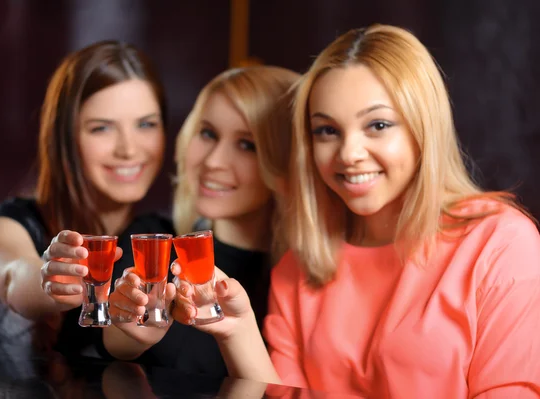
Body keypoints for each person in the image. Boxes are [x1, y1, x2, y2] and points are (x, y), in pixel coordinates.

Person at [170, 24, 540, 397]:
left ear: (423, 127)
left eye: (377, 125)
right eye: (327, 131)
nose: (349, 153)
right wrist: (238, 329)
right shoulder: (300, 263)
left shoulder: (500, 243)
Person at [0, 40, 172, 357]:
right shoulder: (4, 227)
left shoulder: (159, 235)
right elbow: (14, 279)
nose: (129, 149)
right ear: (64, 137)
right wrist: (51, 279)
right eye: (101, 128)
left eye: (146, 124)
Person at [104, 65, 299, 378]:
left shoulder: (303, 284)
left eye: (247, 144)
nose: (213, 161)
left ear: (288, 163)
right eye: (208, 133)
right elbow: (111, 345)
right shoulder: (152, 241)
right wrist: (127, 327)